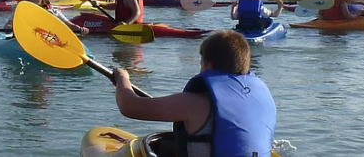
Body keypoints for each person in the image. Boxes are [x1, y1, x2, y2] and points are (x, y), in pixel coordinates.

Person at [108, 31, 276, 157]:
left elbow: (129, 106)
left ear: (208, 66)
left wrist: (123, 78)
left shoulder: (194, 103)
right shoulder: (263, 94)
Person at [4, 0, 89, 35]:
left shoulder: (53, 13)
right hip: (24, 39)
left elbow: (70, 26)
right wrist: (9, 27)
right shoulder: (21, 9)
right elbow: (8, 24)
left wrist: (81, 29)